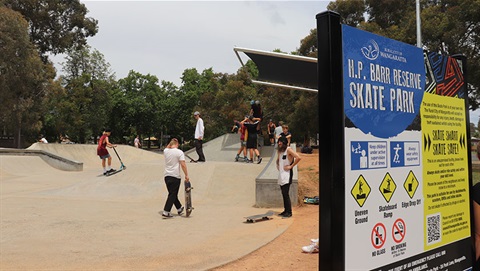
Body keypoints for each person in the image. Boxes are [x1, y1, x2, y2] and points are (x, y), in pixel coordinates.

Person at [162, 138, 190, 218]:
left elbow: (167, 147)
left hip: (167, 176)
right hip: (175, 176)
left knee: (172, 194)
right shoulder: (179, 152)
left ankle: (179, 208)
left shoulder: (166, 151)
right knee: (172, 194)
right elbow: (183, 164)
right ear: (177, 144)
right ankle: (166, 211)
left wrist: (171, 141)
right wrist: (186, 175)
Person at [276, 136, 301, 218]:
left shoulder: (288, 150)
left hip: (287, 174)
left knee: (285, 193)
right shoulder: (280, 150)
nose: (279, 143)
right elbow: (278, 159)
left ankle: (289, 212)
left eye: (281, 142)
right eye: (278, 142)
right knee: (283, 193)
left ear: (284, 142)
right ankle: (285, 210)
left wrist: (291, 166)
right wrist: (277, 163)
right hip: (281, 174)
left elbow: (298, 157)